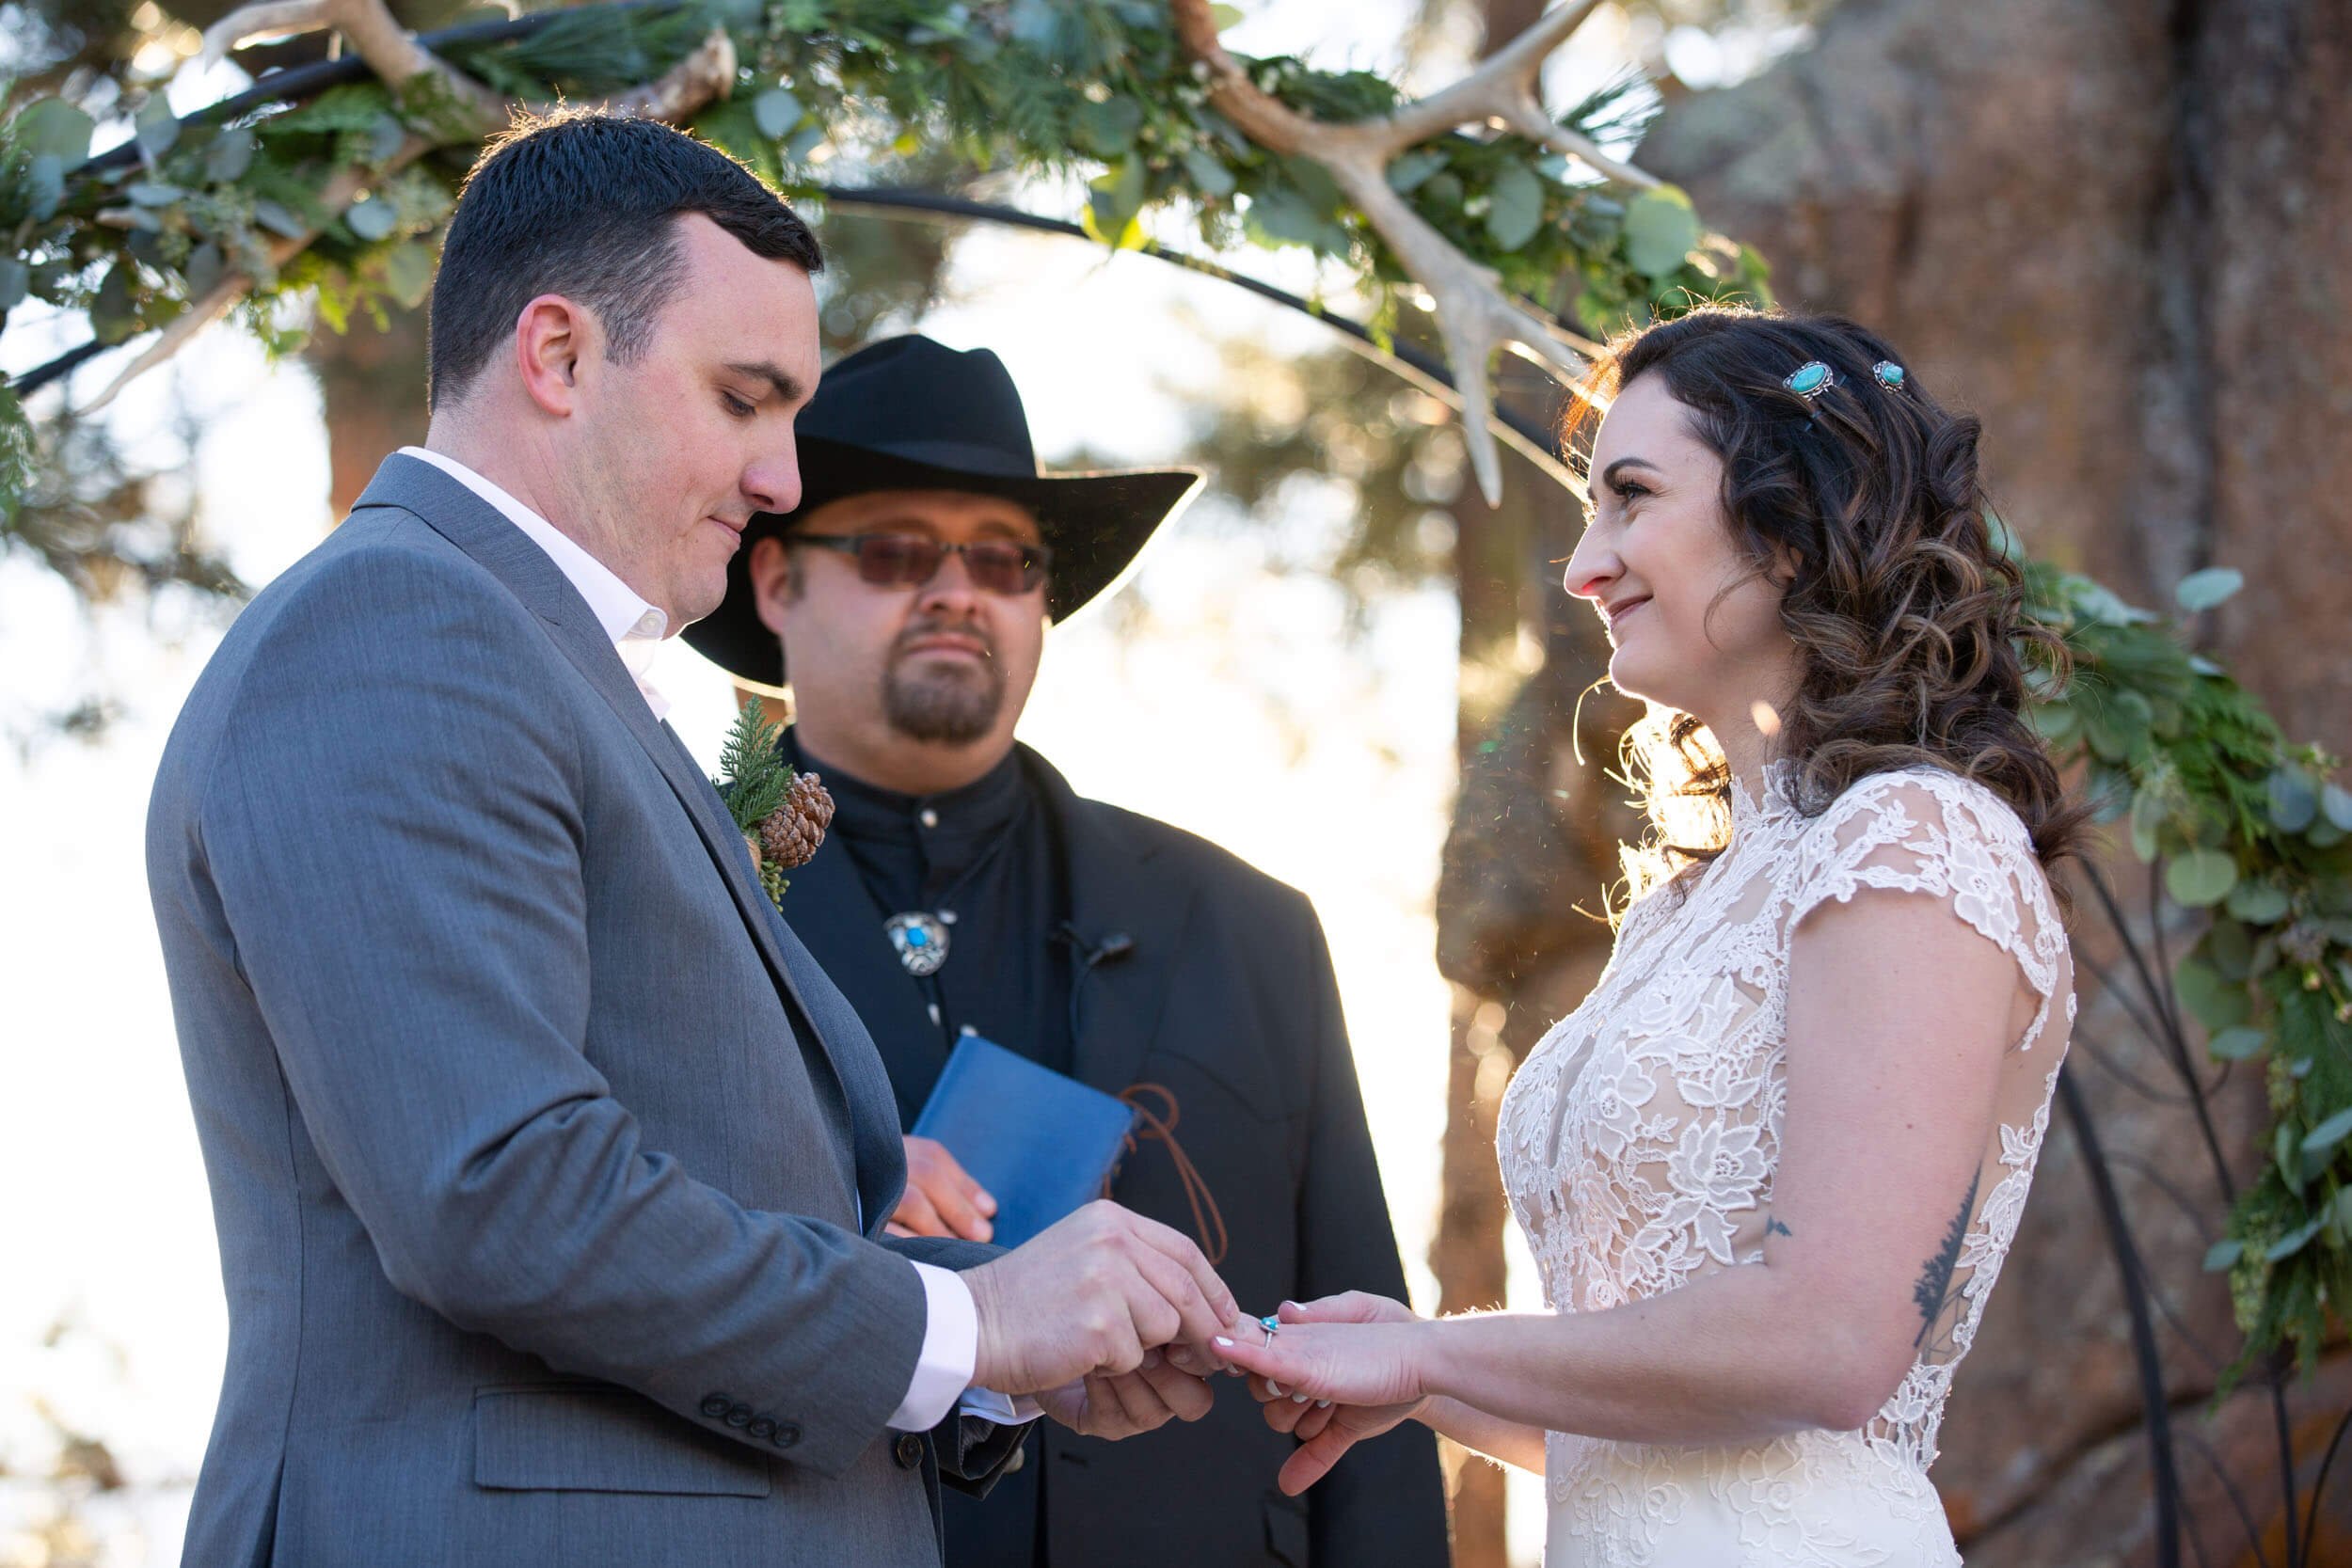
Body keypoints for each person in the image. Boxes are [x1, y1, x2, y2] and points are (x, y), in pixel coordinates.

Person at [145, 112, 1247, 1568]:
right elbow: (503, 1192)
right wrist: (973, 1315)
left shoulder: (541, 664)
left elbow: (719, 1189)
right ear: (556, 356)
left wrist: (1006, 1349)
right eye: (746, 400)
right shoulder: (395, 632)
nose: (785, 477)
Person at [1212, 307, 2085, 1566]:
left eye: (1631, 497)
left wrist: (1436, 1345)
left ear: (1790, 524)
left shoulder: (1912, 841)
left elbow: (1829, 1351)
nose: (1585, 564)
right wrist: (1417, 1382)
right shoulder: (1691, 903)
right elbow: (1663, 1445)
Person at [682, 333, 1451, 1568]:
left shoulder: (1249, 927)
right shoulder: (671, 893)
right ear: (774, 583)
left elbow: (1368, 1363)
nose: (957, 590)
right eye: (893, 552)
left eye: (1003, 560)